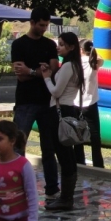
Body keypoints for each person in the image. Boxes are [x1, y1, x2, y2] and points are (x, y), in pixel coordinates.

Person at [11, 7, 60, 200]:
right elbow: (20, 75)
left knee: (49, 148)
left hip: (47, 102)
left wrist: (30, 72)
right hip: (25, 102)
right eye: (41, 25)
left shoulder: (49, 44)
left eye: (47, 25)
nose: (44, 28)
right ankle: (17, 186)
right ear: (32, 22)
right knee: (18, 145)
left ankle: (52, 188)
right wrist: (40, 72)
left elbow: (54, 69)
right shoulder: (19, 44)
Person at [40, 32, 83, 210]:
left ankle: (66, 198)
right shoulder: (75, 66)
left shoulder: (68, 67)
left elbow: (56, 92)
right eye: (58, 43)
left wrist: (46, 78)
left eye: (62, 44)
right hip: (68, 110)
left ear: (72, 47)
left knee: (63, 154)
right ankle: (67, 197)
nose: (58, 47)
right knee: (68, 154)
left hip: (59, 112)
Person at [74, 39, 105, 168]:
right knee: (95, 136)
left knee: (77, 135)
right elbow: (101, 59)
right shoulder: (94, 63)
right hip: (91, 103)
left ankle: (79, 161)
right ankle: (98, 164)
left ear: (80, 50)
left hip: (76, 102)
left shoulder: (76, 63)